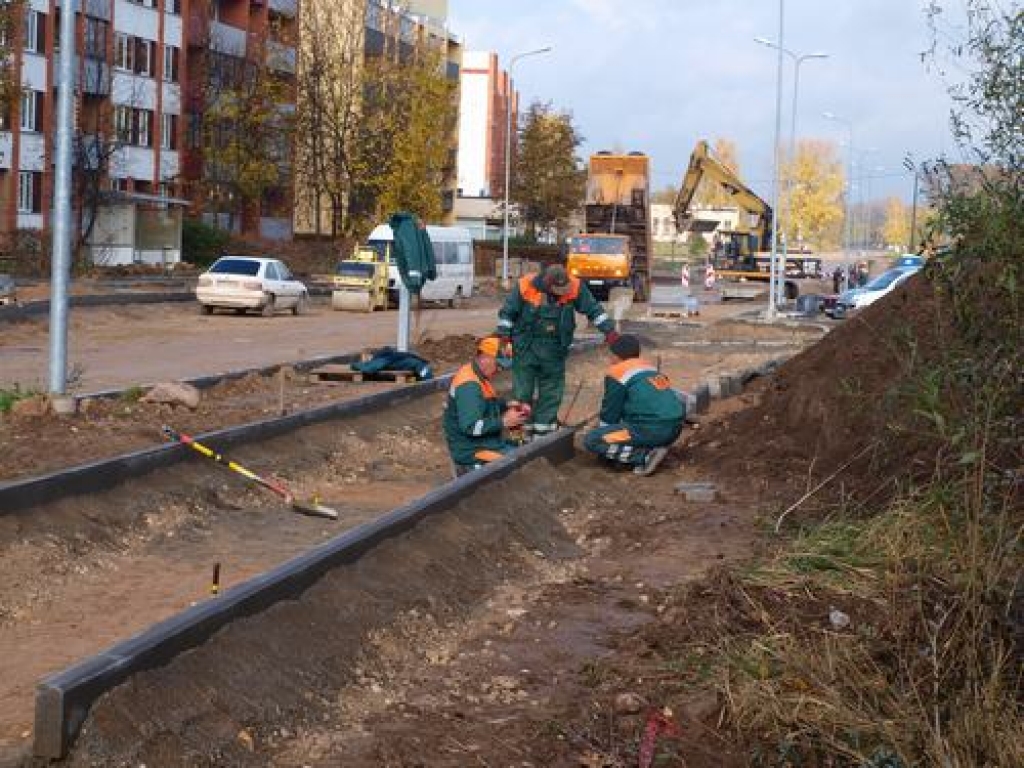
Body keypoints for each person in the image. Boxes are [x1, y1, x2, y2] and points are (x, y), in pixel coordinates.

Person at [496, 264, 617, 436]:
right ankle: (521, 433)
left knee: (551, 392)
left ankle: (543, 433)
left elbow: (594, 310)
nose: (563, 294)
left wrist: (609, 330)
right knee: (522, 392)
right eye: (558, 290)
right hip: (525, 348)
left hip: (554, 350)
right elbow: (507, 313)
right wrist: (504, 336)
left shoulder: (574, 286)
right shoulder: (525, 285)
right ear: (547, 285)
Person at [583, 334, 684, 476]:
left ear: (616, 356)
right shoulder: (650, 369)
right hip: (675, 429)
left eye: (610, 355)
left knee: (592, 440)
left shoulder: (617, 372)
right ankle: (657, 451)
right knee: (629, 427)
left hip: (651, 430)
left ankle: (645, 457)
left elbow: (610, 413)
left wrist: (605, 443)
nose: (610, 360)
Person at [443, 336, 530, 475]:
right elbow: (471, 427)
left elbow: (484, 405)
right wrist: (504, 421)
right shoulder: (469, 386)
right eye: (498, 364)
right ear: (484, 357)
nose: (500, 369)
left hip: (485, 442)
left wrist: (507, 404)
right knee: (519, 464)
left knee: (525, 450)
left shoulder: (478, 376)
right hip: (472, 450)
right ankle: (468, 470)